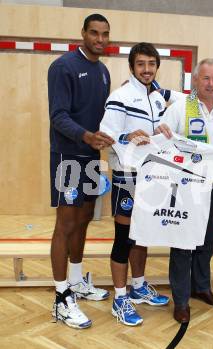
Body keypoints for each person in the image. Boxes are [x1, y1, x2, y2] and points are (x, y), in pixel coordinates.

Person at [156, 58, 213, 323]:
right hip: (186, 187)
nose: (211, 84)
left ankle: (201, 287)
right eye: (205, 78)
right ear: (195, 80)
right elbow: (161, 139)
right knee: (183, 242)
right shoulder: (181, 107)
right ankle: (181, 299)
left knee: (207, 240)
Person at [100, 42, 183, 326]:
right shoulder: (120, 96)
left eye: (151, 64)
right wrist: (125, 136)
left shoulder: (158, 99)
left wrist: (162, 129)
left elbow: (165, 123)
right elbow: (105, 133)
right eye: (141, 64)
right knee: (123, 237)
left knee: (142, 234)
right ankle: (120, 298)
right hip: (127, 175)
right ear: (132, 67)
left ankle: (138, 285)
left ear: (157, 66)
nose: (146, 69)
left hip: (152, 175)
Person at [48, 14, 113, 329]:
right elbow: (57, 116)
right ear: (84, 34)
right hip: (68, 156)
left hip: (90, 157)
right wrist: (86, 136)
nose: (100, 39)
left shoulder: (103, 71)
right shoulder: (63, 67)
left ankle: (75, 281)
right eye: (94, 33)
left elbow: (103, 118)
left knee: (85, 218)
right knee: (66, 223)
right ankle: (61, 298)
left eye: (104, 34)